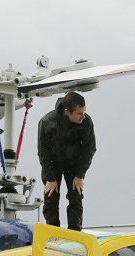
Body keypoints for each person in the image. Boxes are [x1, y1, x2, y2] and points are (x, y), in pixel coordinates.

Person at [37, 91, 96, 231]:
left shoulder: (86, 122)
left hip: (74, 163)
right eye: (79, 113)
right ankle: (53, 232)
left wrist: (80, 175)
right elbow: (43, 152)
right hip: (53, 163)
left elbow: (90, 149)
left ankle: (75, 233)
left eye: (84, 112)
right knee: (51, 195)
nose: (83, 116)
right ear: (67, 112)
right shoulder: (47, 122)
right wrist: (50, 178)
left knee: (76, 196)